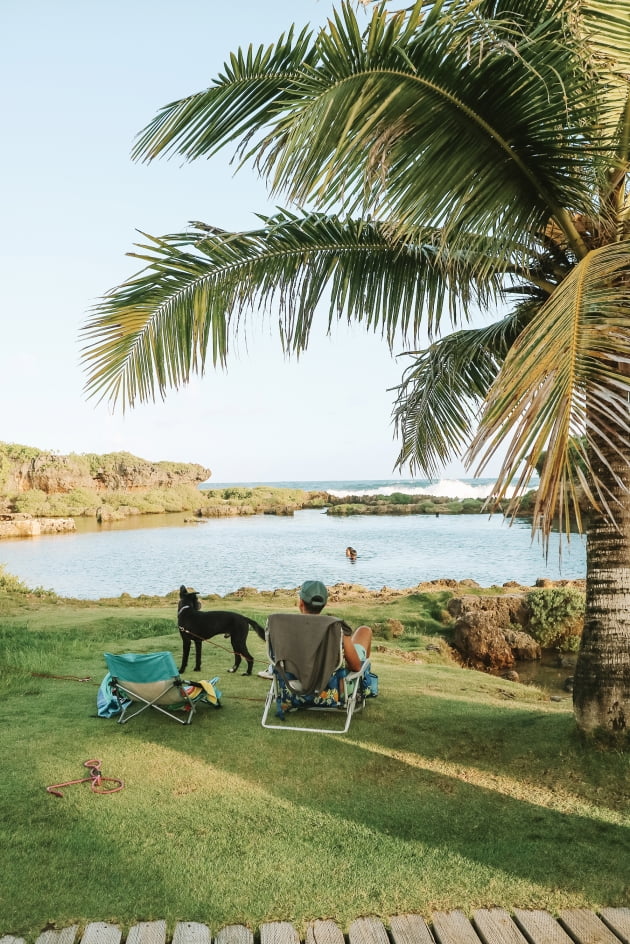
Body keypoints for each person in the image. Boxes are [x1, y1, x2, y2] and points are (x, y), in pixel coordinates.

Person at [257, 579, 372, 678]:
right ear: (324, 604)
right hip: (331, 690)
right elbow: (356, 666)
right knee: (364, 630)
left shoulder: (283, 626)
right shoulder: (335, 626)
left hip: (291, 688)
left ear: (301, 603)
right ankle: (363, 685)